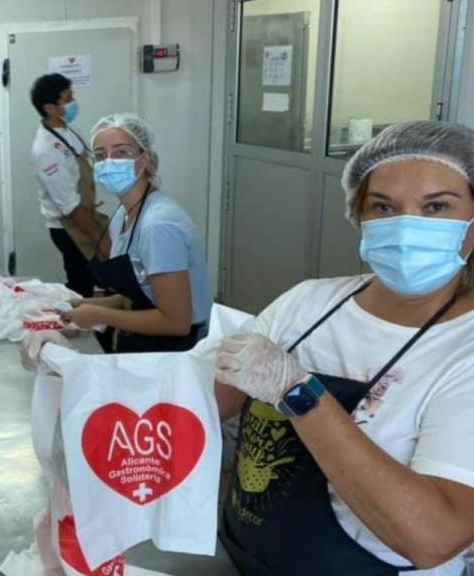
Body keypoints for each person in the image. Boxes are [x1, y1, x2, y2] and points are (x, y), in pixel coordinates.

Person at [214, 121, 474, 575]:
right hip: (243, 556)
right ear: (359, 215)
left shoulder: (464, 349)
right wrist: (85, 378)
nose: (406, 225)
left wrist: (298, 391)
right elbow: (211, 397)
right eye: (383, 206)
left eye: (436, 206)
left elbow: (434, 536)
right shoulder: (309, 302)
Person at [60, 113, 212, 353]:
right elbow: (144, 291)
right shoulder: (124, 214)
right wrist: (88, 304)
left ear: (144, 160)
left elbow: (176, 322)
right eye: (100, 156)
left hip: (176, 350)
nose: (109, 162)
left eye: (121, 152)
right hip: (143, 340)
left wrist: (101, 315)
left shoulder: (158, 225)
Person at [29, 73, 110, 297]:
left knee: (103, 281)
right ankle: (83, 329)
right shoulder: (45, 150)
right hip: (70, 227)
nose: (74, 102)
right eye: (68, 98)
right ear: (49, 108)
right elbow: (70, 207)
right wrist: (99, 240)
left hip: (85, 215)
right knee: (83, 287)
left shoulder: (67, 129)